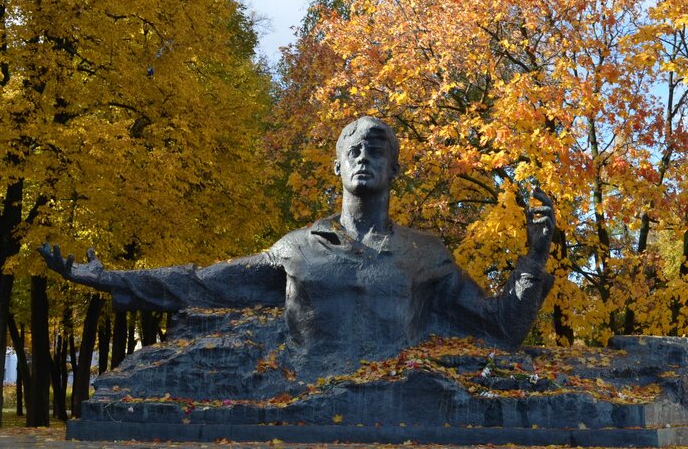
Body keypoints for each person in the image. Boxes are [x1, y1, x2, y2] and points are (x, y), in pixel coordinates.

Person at [40, 116, 555, 367]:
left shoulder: (425, 254)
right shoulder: (297, 248)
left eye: (376, 150)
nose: (363, 157)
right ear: (336, 166)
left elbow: (500, 329)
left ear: (395, 169)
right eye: (353, 149)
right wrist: (109, 280)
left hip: (400, 405)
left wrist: (534, 256)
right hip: (300, 392)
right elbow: (203, 282)